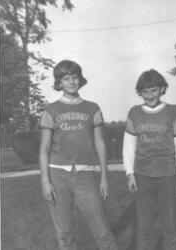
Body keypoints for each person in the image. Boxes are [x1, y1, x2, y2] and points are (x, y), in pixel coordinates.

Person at [39, 60, 118, 250]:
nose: (72, 82)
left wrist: (104, 178)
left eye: (75, 77)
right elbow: (44, 148)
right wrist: (45, 181)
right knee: (64, 233)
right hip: (57, 175)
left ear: (80, 80)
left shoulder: (92, 108)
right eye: (66, 78)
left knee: (103, 230)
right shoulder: (51, 110)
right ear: (59, 83)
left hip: (85, 174)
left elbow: (100, 143)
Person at [123, 69, 176, 250]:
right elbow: (129, 145)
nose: (149, 95)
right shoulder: (134, 113)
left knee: (170, 225)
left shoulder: (173, 112)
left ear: (161, 89)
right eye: (145, 91)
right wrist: (130, 173)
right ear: (140, 92)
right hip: (142, 176)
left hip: (167, 175)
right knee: (143, 227)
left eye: (153, 90)